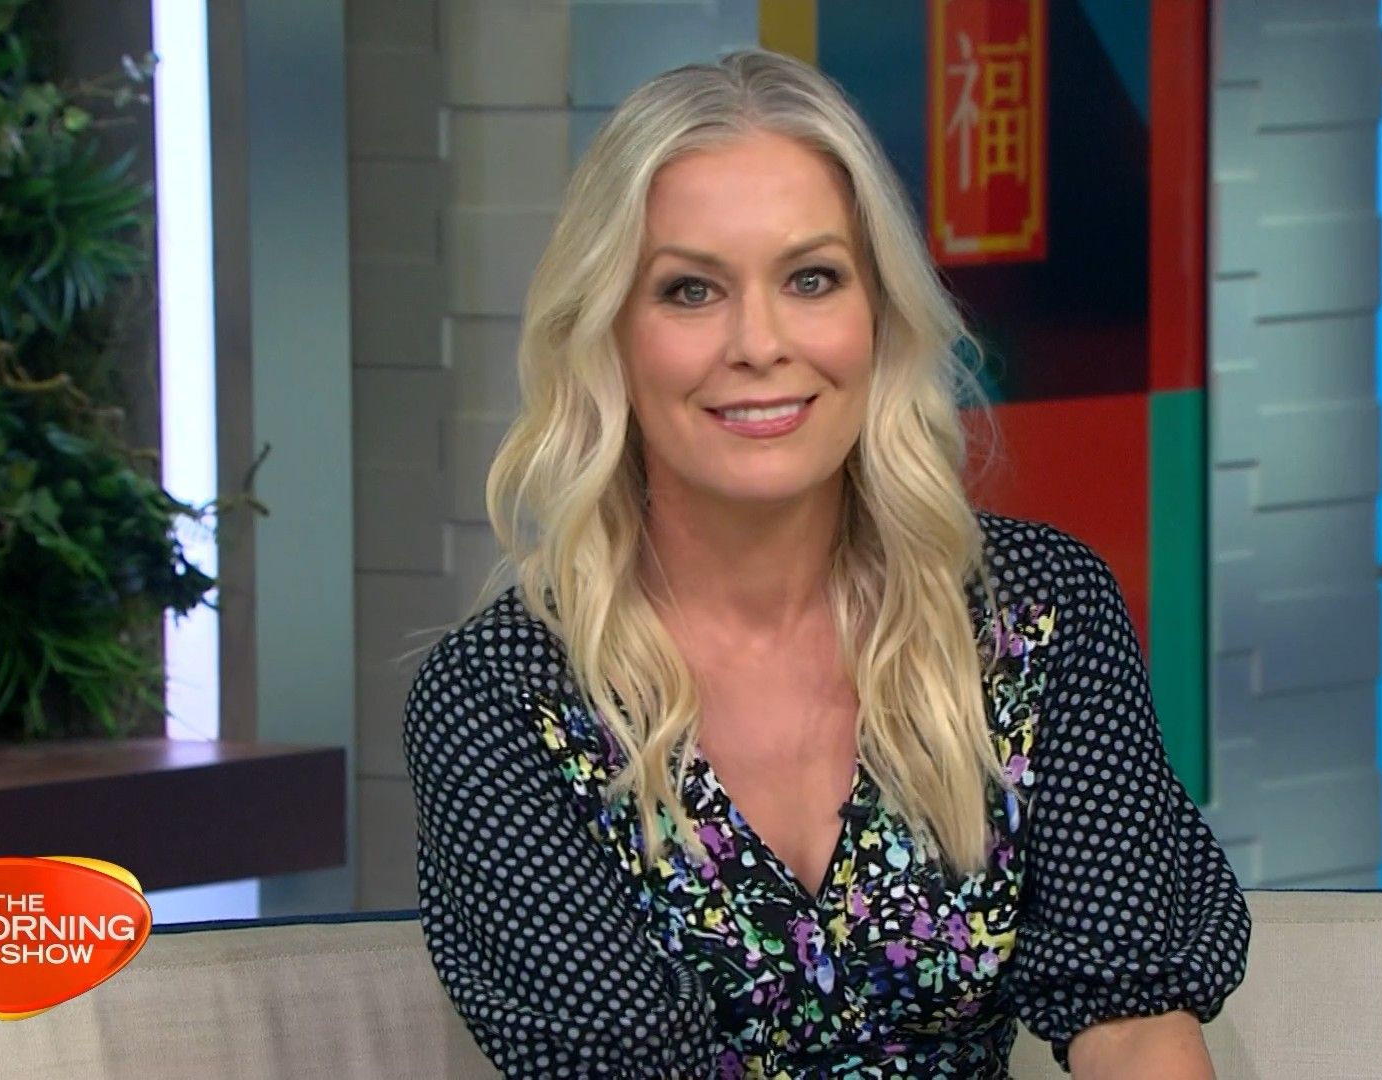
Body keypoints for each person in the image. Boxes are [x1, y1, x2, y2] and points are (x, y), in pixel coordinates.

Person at [403, 48, 1249, 1079]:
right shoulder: (497, 699)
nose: (759, 343)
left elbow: (1135, 1022)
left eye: (812, 279)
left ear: (878, 315)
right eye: (690, 290)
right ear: (609, 335)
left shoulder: (1037, 615)